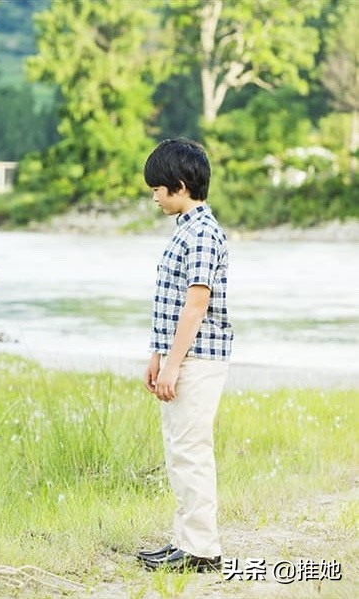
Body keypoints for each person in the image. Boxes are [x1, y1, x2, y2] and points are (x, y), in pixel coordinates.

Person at [137, 138, 233, 573]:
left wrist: (174, 364)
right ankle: (185, 540)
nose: (154, 196)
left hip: (197, 359)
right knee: (179, 450)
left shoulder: (203, 234)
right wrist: (158, 355)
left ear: (178, 185)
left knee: (191, 450)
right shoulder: (186, 230)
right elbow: (170, 302)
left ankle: (201, 550)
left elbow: (196, 304)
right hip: (179, 356)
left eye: (157, 188)